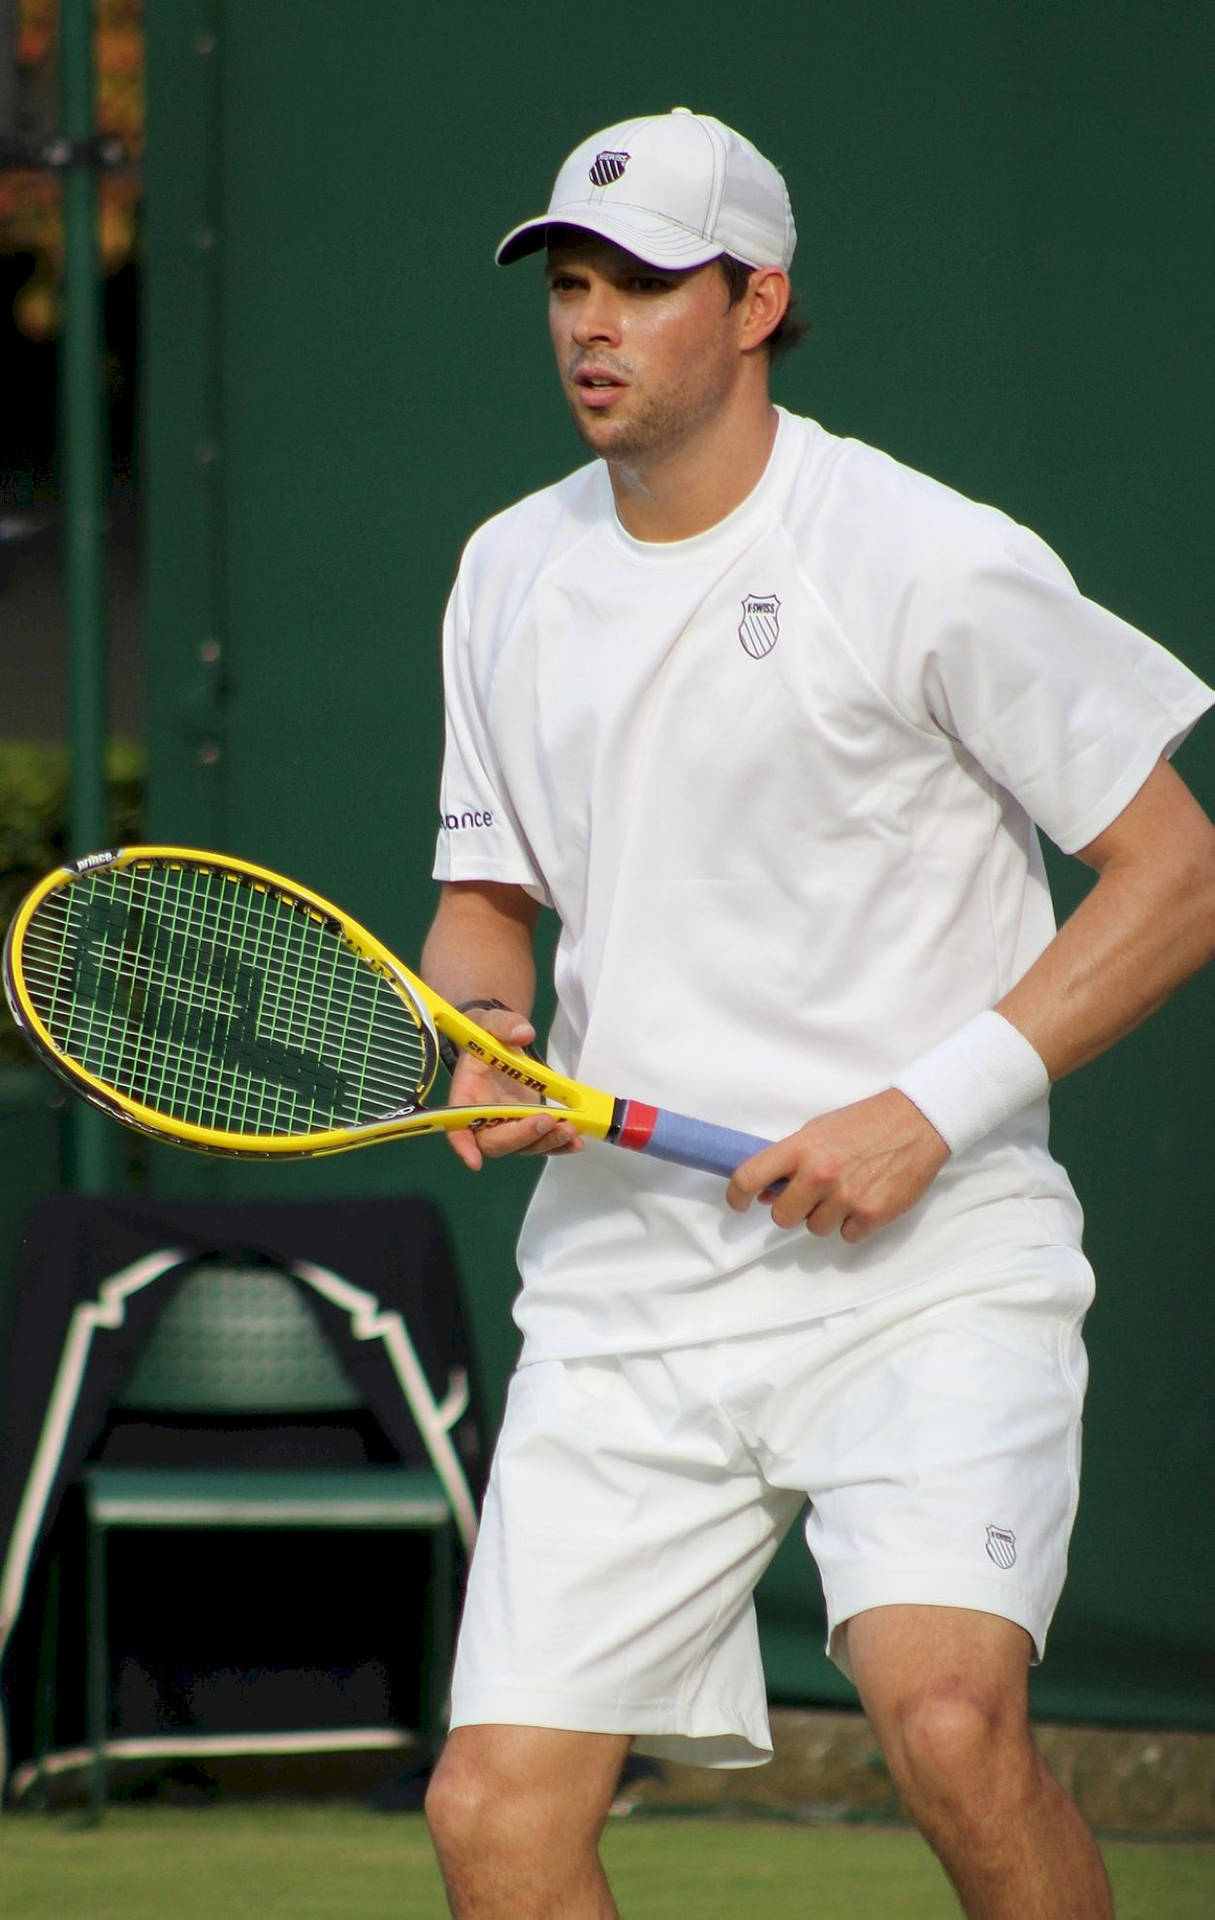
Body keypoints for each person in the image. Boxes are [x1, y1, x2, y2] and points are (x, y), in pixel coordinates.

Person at [419, 109, 1215, 1918]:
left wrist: (922, 1113)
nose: (590, 324)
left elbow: (1180, 875)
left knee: (946, 1722)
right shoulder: (505, 573)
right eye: (568, 284)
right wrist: (486, 1027)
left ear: (759, 300)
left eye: (642, 284)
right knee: (494, 1820)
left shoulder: (926, 555)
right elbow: (487, 906)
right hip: (630, 1288)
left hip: (929, 1268)